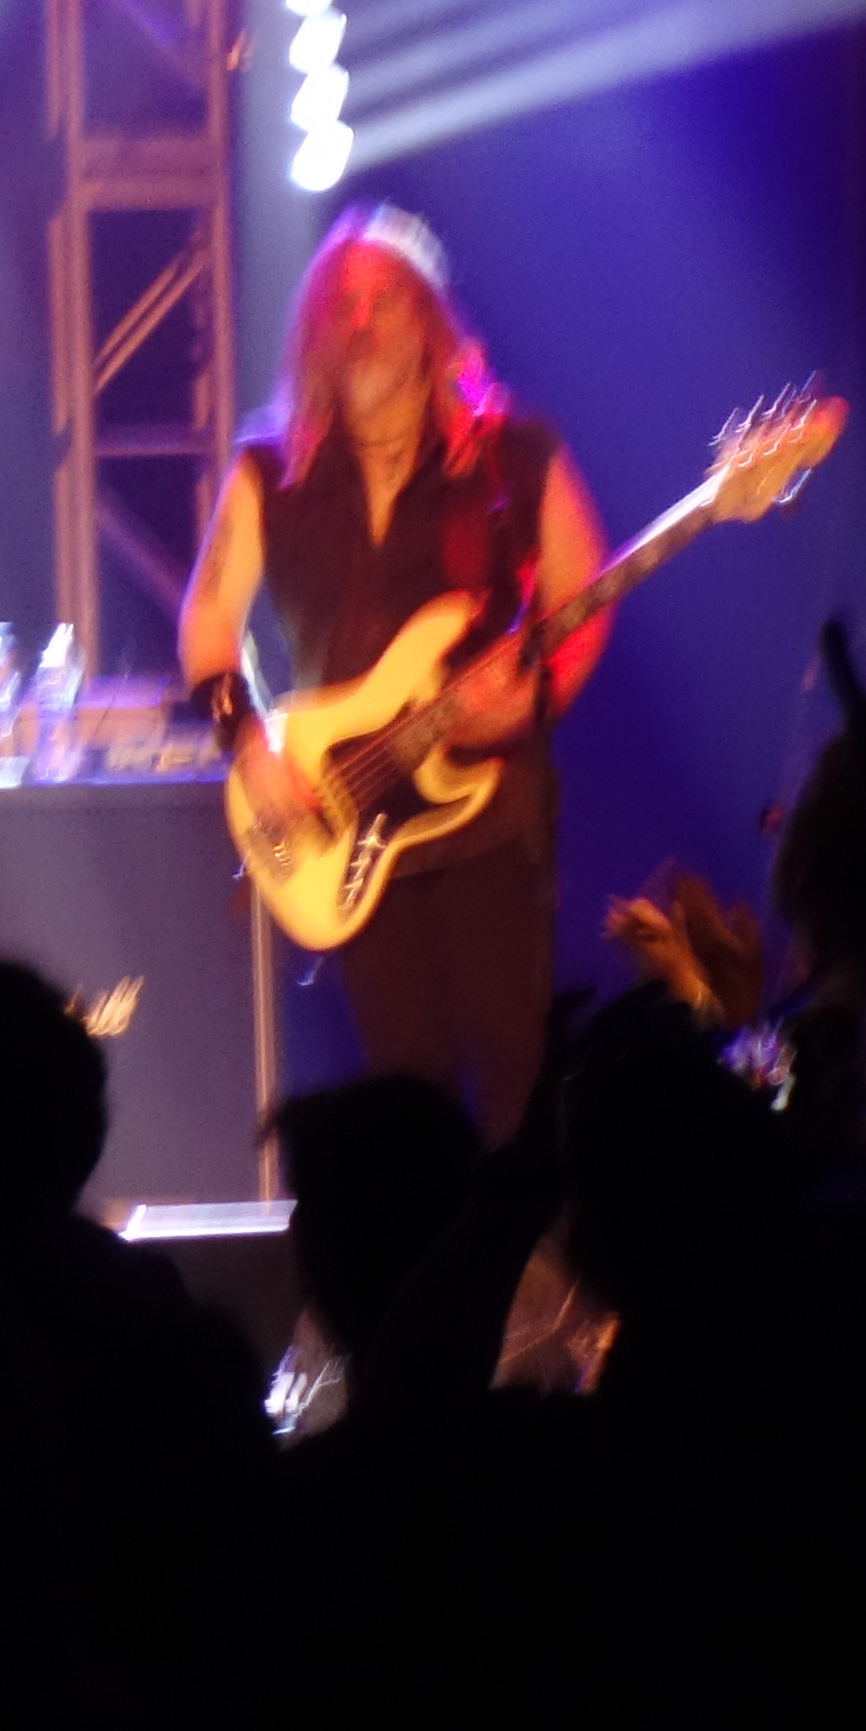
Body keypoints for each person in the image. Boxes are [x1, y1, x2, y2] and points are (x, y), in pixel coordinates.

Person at [177, 205, 605, 1138]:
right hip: (347, 820)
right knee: (404, 1090)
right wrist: (248, 742)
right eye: (341, 304)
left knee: (517, 1070)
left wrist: (533, 702)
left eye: (386, 300)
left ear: (430, 321)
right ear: (314, 335)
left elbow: (586, 595)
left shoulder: (511, 456)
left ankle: (525, 1234)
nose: (362, 322)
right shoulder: (267, 472)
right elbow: (207, 620)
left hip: (489, 813)